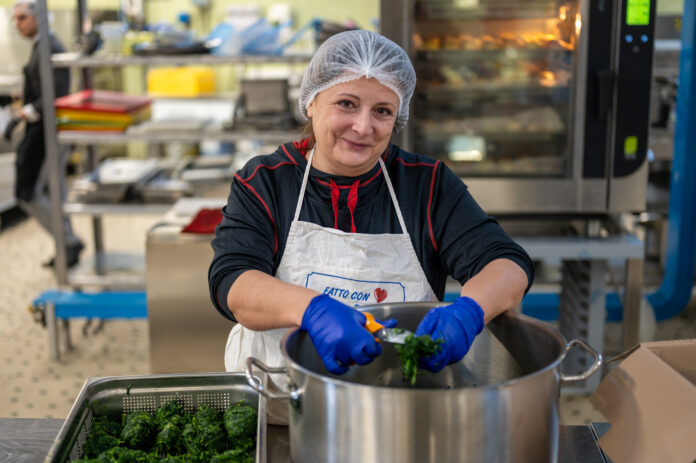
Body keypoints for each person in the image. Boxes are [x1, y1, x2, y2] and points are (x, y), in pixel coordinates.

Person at [209, 30, 533, 420]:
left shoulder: (426, 185)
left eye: (382, 111)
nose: (364, 127)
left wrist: (470, 311)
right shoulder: (266, 181)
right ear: (311, 101)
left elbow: (506, 263)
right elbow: (234, 281)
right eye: (346, 103)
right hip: (285, 412)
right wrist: (313, 309)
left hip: (400, 415)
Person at [7, 0, 83, 267]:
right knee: (52, 192)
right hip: (47, 131)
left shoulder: (49, 46)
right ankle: (66, 244)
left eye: (22, 18)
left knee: (28, 193)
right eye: (15, 19)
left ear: (38, 16)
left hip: (47, 134)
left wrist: (28, 110)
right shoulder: (42, 45)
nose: (17, 24)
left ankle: (68, 242)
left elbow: (56, 94)